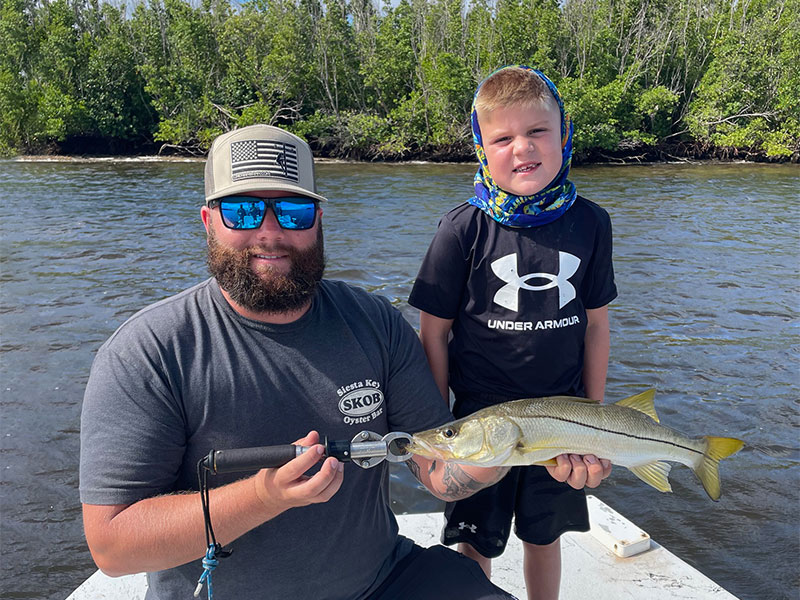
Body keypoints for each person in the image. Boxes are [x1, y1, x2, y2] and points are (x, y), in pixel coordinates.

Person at [79, 123, 611, 600]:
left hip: (383, 580)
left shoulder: (376, 324)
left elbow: (437, 469)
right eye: (243, 210)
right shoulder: (149, 352)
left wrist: (522, 449)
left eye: (294, 211)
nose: (271, 232)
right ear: (208, 221)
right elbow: (114, 546)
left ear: (318, 218)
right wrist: (264, 496)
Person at [408, 66, 617, 600]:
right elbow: (433, 335)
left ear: (564, 135)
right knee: (475, 540)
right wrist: (438, 424)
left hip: (566, 418)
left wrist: (594, 418)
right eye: (502, 138)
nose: (522, 148)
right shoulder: (460, 229)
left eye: (537, 131)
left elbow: (596, 325)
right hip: (481, 419)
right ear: (482, 148)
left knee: (545, 538)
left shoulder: (593, 223)